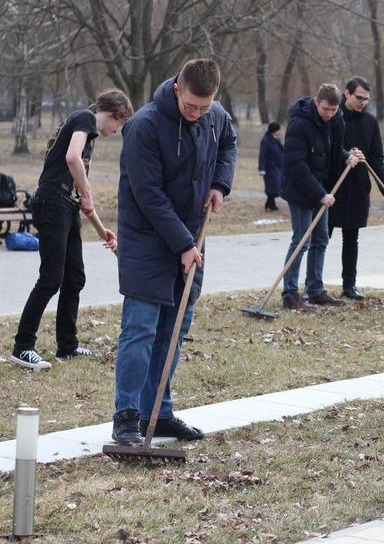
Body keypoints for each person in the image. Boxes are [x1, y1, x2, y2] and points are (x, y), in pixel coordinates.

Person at [111, 58, 237, 446]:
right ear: (176, 88)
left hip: (192, 239)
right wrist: (183, 244)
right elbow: (148, 195)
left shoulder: (215, 115)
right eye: (191, 106)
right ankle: (127, 417)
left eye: (205, 106)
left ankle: (159, 413)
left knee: (174, 331)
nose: (198, 114)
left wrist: (220, 184)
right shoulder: (144, 126)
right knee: (141, 330)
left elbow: (229, 142)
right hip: (148, 239)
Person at [11, 90, 132, 370]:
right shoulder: (85, 119)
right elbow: (71, 157)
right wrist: (87, 189)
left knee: (74, 277)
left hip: (67, 207)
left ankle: (68, 345)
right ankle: (22, 346)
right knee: (51, 278)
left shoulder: (88, 138)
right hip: (52, 202)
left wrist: (105, 233)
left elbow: (84, 202)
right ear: (116, 115)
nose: (117, 132)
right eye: (120, 126)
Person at [280, 83, 364, 310]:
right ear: (317, 102)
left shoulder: (336, 121)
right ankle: (289, 293)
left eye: (333, 110)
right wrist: (320, 194)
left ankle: (315, 289)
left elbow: (332, 151)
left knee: (321, 239)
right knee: (301, 240)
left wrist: (347, 156)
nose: (329, 114)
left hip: (322, 190)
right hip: (300, 189)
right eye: (325, 109)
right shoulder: (299, 124)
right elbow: (295, 164)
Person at [328, 76, 384, 301]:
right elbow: (330, 150)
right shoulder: (335, 116)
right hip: (334, 186)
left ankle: (349, 285)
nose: (363, 102)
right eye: (359, 97)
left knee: (351, 238)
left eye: (366, 99)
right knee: (322, 237)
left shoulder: (371, 122)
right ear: (347, 93)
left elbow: (377, 158)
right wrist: (346, 154)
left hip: (358, 188)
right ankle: (314, 284)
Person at [258, 122, 283, 211]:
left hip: (277, 167)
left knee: (276, 186)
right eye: (278, 129)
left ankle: (271, 204)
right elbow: (262, 155)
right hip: (269, 168)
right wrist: (261, 168)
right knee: (272, 186)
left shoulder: (276, 140)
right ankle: (270, 205)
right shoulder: (265, 140)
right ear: (274, 130)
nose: (280, 131)